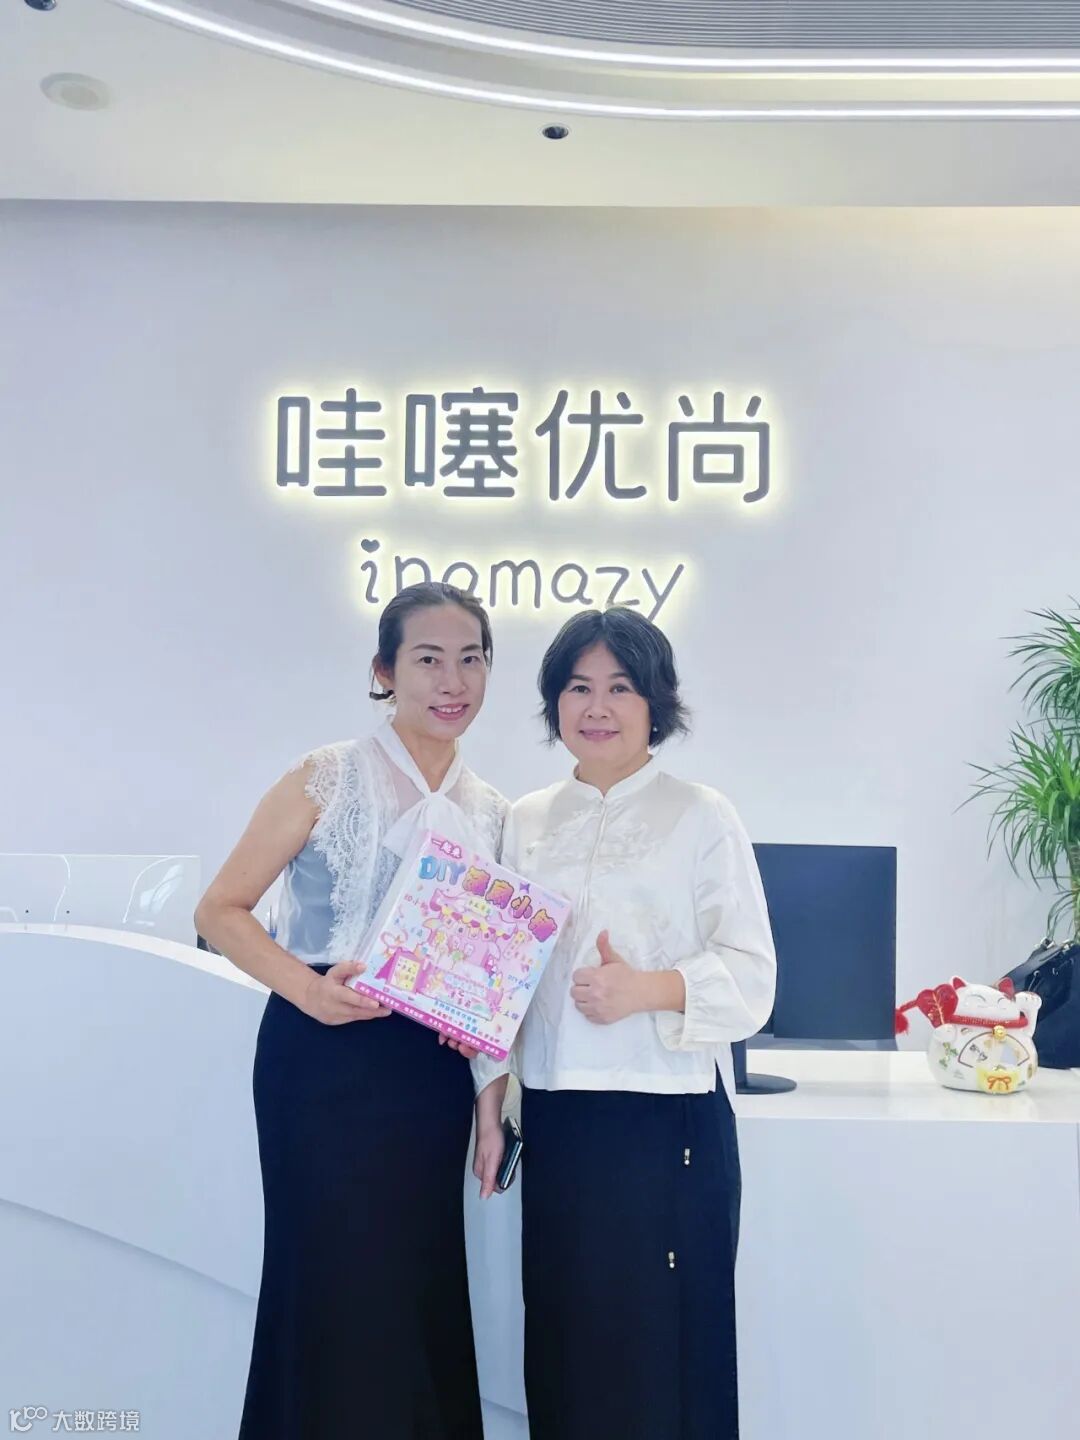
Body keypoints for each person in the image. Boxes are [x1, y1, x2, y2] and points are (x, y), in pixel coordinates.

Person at [195, 582, 510, 1440]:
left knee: (418, 1280)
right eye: (429, 659)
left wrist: (491, 1100)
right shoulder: (327, 774)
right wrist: (309, 991)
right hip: (321, 1059)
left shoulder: (491, 811)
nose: (453, 681)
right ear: (385, 671)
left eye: (471, 659)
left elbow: (492, 980)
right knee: (330, 1277)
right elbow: (219, 910)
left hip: (430, 1075)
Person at [503, 606, 776, 1440]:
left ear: (656, 701)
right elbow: (503, 976)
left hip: (669, 1119)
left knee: (666, 1353)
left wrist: (647, 989)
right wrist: (488, 1089)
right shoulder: (525, 819)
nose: (597, 707)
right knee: (566, 1347)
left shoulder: (701, 813)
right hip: (558, 1118)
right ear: (554, 702)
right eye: (578, 687)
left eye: (620, 687)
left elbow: (754, 979)